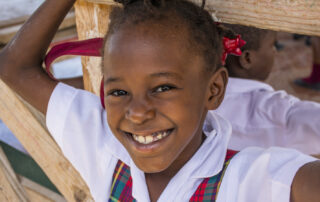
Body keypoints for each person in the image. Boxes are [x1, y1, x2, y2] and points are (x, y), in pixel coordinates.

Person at [0, 0, 319, 201]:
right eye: (118, 92)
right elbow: (14, 66)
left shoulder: (253, 178)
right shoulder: (105, 150)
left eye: (163, 88)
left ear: (214, 90)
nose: (137, 113)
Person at [216, 25, 320, 156]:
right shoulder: (275, 111)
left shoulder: (197, 94)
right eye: (273, 45)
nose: (275, 51)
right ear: (247, 59)